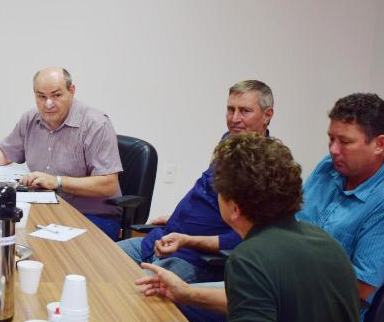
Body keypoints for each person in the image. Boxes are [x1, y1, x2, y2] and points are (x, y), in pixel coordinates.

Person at [137, 134, 363, 322]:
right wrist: (188, 293)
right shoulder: (324, 242)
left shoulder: (250, 257)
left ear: (234, 208)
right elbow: (269, 303)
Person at [117, 80, 274, 283]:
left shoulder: (265, 166)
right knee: (97, 259)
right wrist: (177, 217)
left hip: (192, 258)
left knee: (130, 291)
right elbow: (205, 197)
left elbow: (248, 238)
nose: (235, 119)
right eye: (230, 109)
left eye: (245, 111)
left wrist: (187, 239)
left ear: (267, 115)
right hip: (163, 238)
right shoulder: (229, 141)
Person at [0, 67, 123, 238]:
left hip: (93, 216)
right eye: (41, 96)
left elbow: (108, 184)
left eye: (56, 95)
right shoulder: (31, 119)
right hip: (44, 208)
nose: (48, 103)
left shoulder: (96, 125)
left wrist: (57, 182)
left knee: (41, 247)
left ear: (72, 91)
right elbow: (5, 152)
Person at [297, 92, 384, 308]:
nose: (333, 150)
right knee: (204, 299)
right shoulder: (327, 166)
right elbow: (290, 220)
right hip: (280, 285)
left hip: (325, 311)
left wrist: (294, 268)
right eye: (331, 139)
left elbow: (362, 286)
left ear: (379, 144)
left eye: (345, 142)